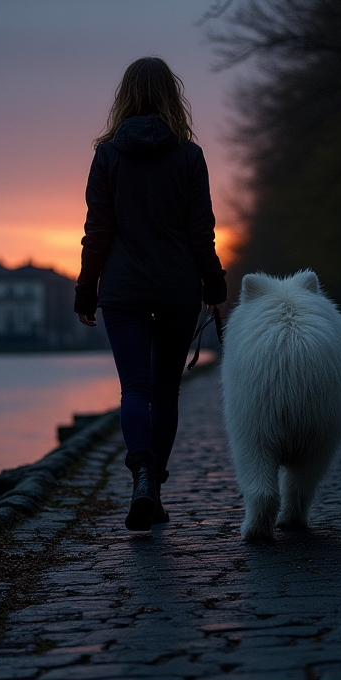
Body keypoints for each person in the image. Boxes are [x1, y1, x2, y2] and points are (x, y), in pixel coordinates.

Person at [74, 57, 227, 532]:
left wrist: (86, 289)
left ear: (124, 97)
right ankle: (153, 487)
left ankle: (140, 475)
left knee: (135, 388)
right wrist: (216, 286)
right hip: (178, 288)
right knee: (165, 392)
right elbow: (202, 232)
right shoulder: (189, 156)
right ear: (171, 96)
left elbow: (96, 231)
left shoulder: (107, 156)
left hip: (122, 291)